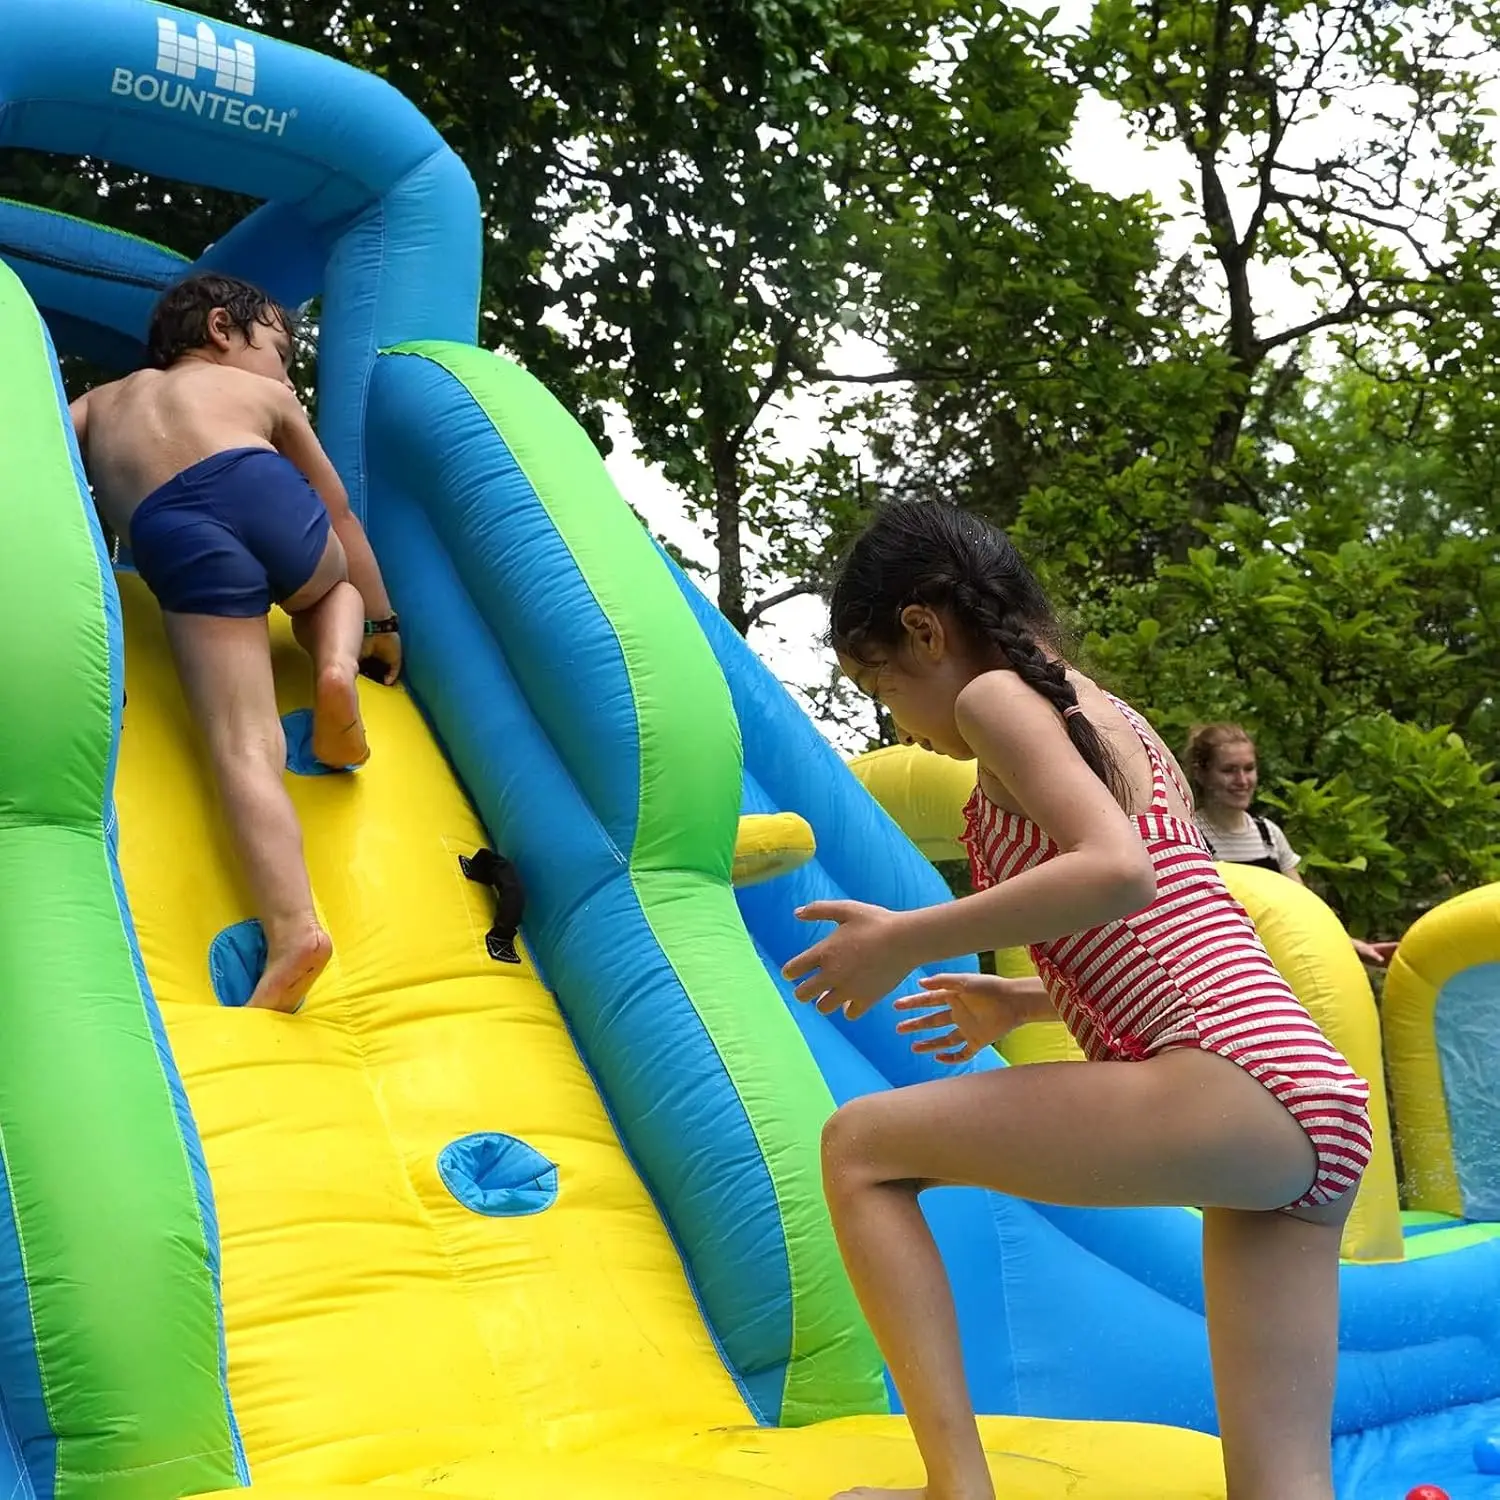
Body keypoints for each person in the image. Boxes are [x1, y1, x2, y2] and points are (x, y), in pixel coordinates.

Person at [782, 500, 1371, 1500]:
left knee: (861, 1149)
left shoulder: (996, 699)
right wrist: (1022, 1001)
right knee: (1282, 1486)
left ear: (926, 628)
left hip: (1231, 1076)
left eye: (882, 686)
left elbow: (1119, 871)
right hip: (1308, 1098)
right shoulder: (1109, 712)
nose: (897, 721)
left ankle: (954, 1489)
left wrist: (902, 938)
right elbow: (1177, 920)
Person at [70, 273, 402, 1013]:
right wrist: (384, 625)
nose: (288, 373)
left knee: (242, 745)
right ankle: (339, 666)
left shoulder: (98, 404)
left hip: (168, 530)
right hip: (257, 484)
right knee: (331, 587)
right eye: (282, 353)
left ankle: (294, 931)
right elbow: (339, 513)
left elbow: (50, 469)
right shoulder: (264, 399)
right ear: (223, 330)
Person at [1187, 723, 1397, 969]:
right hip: (1222, 970)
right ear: (1201, 774)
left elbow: (1305, 910)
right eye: (1229, 770)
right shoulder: (1189, 835)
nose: (1242, 780)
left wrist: (1351, 945)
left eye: (1249, 768)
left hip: (1280, 968)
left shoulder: (1269, 834)